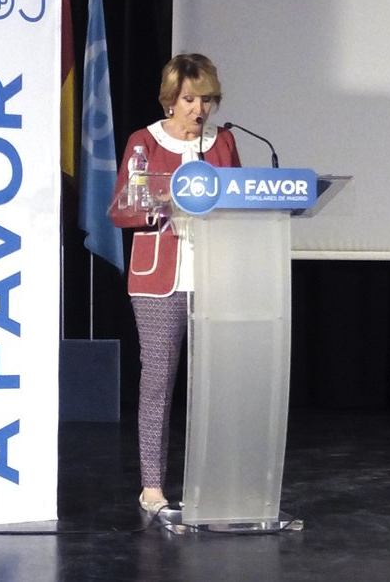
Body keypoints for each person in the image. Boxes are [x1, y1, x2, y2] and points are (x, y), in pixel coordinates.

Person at [110, 53, 241, 512]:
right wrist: (160, 202)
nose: (198, 109)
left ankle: (217, 484)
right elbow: (121, 210)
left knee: (217, 384)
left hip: (214, 276)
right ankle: (152, 488)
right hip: (159, 280)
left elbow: (239, 199)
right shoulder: (144, 142)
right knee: (159, 381)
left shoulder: (222, 143)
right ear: (171, 99)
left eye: (206, 100)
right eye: (189, 99)